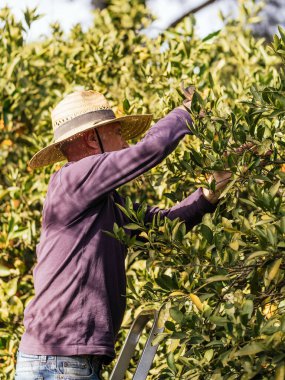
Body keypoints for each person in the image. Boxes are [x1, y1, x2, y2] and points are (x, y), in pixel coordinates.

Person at [15, 90, 231, 379]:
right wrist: (186, 112)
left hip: (63, 360)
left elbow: (162, 226)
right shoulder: (74, 177)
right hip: (61, 363)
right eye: (117, 132)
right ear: (92, 139)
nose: (126, 142)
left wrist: (209, 194)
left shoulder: (104, 203)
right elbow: (148, 152)